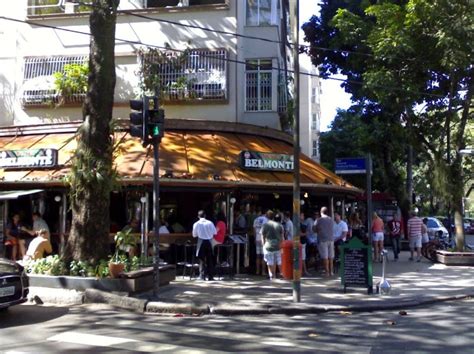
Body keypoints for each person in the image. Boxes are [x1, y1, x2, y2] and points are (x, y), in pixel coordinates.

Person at [192, 210, 217, 281]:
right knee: (210, 259)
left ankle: (202, 276)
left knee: (201, 259)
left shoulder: (196, 224)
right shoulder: (210, 223)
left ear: (198, 216)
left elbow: (194, 235)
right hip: (209, 241)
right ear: (205, 215)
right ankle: (210, 276)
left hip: (201, 242)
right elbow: (215, 232)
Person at [261, 210, 283, 281]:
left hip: (268, 245)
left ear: (267, 216)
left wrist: (263, 244)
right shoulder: (279, 225)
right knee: (279, 260)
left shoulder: (265, 225)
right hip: (278, 245)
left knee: (270, 261)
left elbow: (262, 236)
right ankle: (281, 273)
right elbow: (282, 236)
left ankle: (272, 275)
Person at [314, 207, 335, 277]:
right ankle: (331, 272)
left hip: (323, 240)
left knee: (325, 257)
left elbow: (314, 229)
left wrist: (318, 230)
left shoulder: (319, 220)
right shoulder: (331, 219)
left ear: (321, 212)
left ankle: (327, 272)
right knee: (331, 256)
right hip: (331, 239)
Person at [253, 208, 268, 276]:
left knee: (258, 256)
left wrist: (254, 238)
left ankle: (257, 271)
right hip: (263, 239)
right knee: (263, 256)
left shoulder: (255, 220)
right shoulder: (266, 220)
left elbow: (254, 230)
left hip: (257, 239)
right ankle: (263, 271)